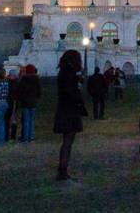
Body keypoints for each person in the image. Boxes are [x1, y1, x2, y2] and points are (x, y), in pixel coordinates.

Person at [53, 49, 87, 181]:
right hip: (69, 110)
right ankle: (62, 170)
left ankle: (63, 169)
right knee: (67, 142)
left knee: (67, 142)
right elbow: (71, 92)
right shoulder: (69, 73)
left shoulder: (64, 72)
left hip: (65, 109)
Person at [18, 63, 41, 142]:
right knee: (32, 120)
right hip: (33, 101)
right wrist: (37, 98)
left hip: (25, 102)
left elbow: (20, 90)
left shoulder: (23, 79)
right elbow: (39, 91)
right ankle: (31, 137)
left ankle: (25, 137)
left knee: (26, 120)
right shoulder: (36, 79)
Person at [4, 68, 20, 142]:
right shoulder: (14, 83)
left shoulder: (12, 84)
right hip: (11, 103)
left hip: (12, 103)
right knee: (9, 120)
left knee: (11, 120)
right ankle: (9, 136)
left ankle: (10, 136)